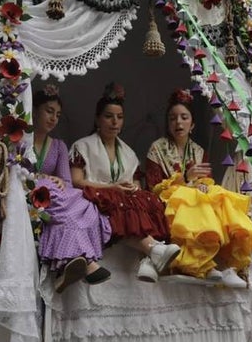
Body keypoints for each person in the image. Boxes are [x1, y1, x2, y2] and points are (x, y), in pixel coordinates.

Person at [144, 89, 252, 288]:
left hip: (194, 195)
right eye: (172, 118)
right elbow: (153, 187)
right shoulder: (157, 148)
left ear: (192, 125)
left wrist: (203, 186)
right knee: (194, 202)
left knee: (220, 197)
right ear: (168, 124)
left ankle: (226, 265)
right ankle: (205, 265)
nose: (178, 122)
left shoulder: (198, 150)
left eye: (184, 117)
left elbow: (206, 179)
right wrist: (185, 179)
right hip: (169, 198)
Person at [70, 83, 179, 282]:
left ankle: (149, 257)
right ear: (97, 119)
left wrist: (133, 187)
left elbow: (136, 182)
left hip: (120, 195)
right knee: (118, 201)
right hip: (94, 194)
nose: (115, 122)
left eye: (119, 117)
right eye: (108, 116)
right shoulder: (82, 146)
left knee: (150, 200)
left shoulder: (128, 152)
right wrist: (112, 187)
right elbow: (76, 181)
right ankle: (153, 250)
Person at [29, 84, 112, 292]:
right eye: (49, 111)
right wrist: (42, 178)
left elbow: (66, 182)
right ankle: (87, 263)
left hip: (52, 196)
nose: (53, 118)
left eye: (57, 115)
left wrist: (59, 182)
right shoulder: (21, 140)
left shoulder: (58, 146)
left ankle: (67, 266)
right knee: (49, 187)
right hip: (28, 192)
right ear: (35, 110)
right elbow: (14, 171)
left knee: (83, 201)